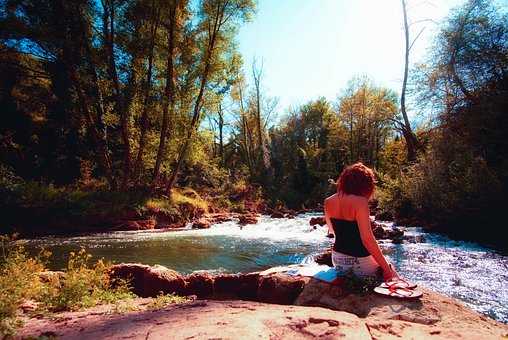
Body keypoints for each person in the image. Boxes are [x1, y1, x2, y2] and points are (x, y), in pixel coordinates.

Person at [324, 162, 397, 281]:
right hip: (360, 263)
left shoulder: (328, 201)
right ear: (365, 185)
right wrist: (388, 270)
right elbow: (367, 239)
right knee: (389, 267)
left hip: (338, 260)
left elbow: (332, 231)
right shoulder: (360, 202)